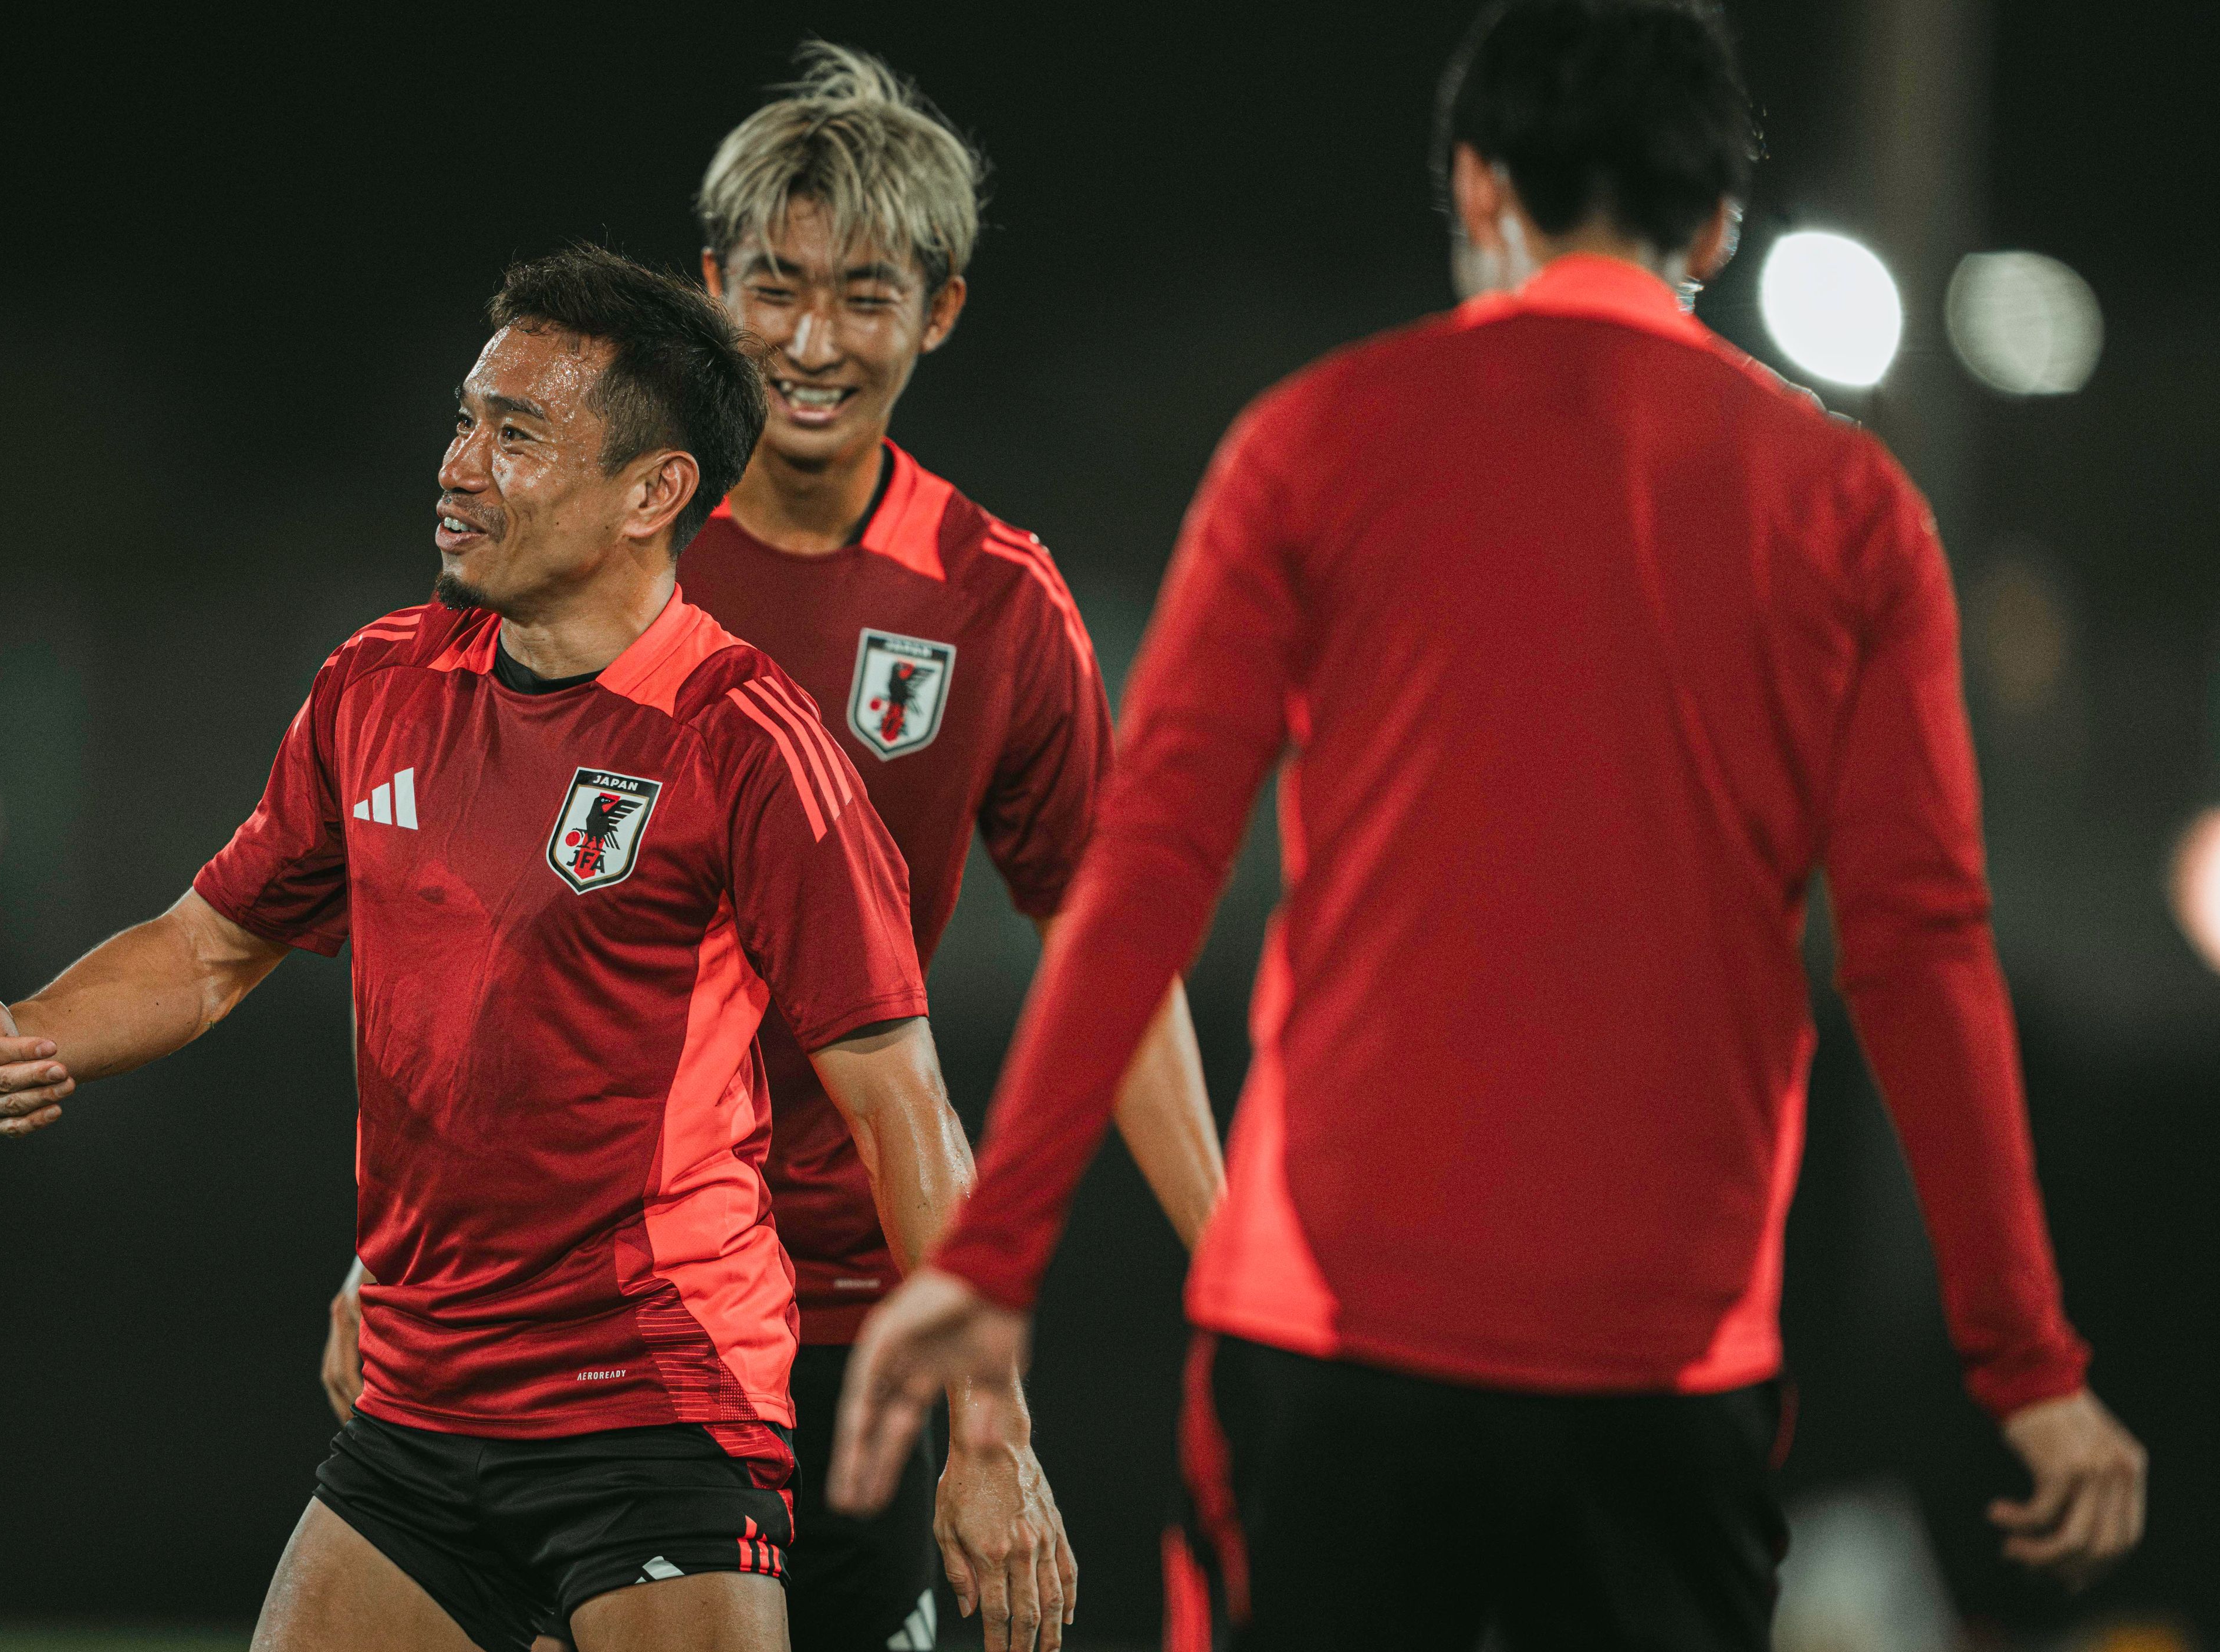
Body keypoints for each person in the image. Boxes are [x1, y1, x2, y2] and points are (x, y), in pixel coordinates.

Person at [832, 2, 2148, 1647]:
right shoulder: (1847, 506)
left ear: (1473, 186)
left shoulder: (1311, 444)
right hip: (1664, 1365)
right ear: (1714, 227)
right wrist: (2025, 1364)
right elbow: (1920, 949)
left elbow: (1148, 867)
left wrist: (997, 1252)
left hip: (1332, 1340)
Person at [0, 245, 1042, 1652]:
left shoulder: (745, 744)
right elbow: (209, 947)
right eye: (465, 420)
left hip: (651, 1409)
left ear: (652, 494)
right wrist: (38, 1030)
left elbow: (903, 1108)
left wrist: (990, 1436)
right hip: (419, 1416)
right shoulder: (378, 684)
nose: (458, 467)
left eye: (515, 436)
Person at [320, 43, 1222, 1652]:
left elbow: (1109, 954)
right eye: (775, 288)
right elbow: (448, 930)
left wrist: (1226, 1256)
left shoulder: (994, 601)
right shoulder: (603, 540)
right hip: (584, 1314)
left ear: (937, 312)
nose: (811, 342)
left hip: (850, 1307)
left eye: (863, 297)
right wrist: (384, 1258)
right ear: (710, 285)